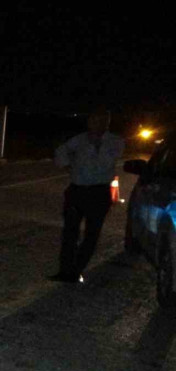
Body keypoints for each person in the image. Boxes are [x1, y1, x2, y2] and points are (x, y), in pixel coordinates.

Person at [49, 106, 125, 283]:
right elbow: (60, 152)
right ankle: (65, 270)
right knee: (70, 233)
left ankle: (76, 270)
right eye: (93, 119)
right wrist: (68, 165)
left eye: (101, 120)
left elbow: (106, 162)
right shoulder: (79, 140)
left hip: (99, 192)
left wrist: (95, 146)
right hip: (77, 190)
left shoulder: (115, 141)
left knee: (92, 233)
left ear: (107, 122)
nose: (96, 123)